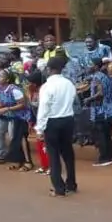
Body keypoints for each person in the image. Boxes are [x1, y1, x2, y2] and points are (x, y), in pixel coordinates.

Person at [35, 55, 78, 197]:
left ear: (48, 69)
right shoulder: (69, 83)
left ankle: (59, 188)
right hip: (68, 120)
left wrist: (39, 128)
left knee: (53, 155)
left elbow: (43, 109)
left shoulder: (47, 86)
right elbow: (73, 100)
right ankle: (71, 184)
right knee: (68, 153)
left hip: (52, 121)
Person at [0, 69, 34, 171]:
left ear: (7, 79)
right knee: (14, 139)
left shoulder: (14, 90)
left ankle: (28, 162)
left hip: (23, 116)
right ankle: (18, 161)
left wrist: (6, 109)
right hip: (12, 116)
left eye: (1, 76)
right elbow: (1, 103)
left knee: (21, 138)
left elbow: (22, 104)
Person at [87, 58, 112, 167]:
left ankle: (104, 158)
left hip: (101, 110)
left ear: (96, 66)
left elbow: (100, 94)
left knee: (101, 135)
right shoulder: (105, 76)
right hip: (109, 109)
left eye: (90, 64)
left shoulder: (97, 77)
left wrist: (89, 99)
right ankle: (110, 156)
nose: (88, 66)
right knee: (106, 134)